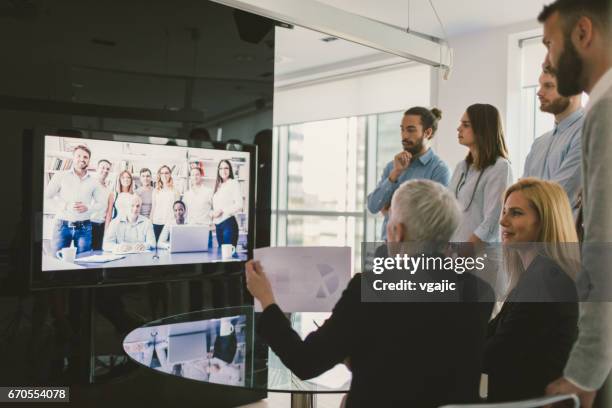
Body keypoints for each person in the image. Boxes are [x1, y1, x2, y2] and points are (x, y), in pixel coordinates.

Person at [246, 179, 494, 408]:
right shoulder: (479, 291)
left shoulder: (370, 288)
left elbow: (305, 362)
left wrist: (267, 301)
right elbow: (427, 357)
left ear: (398, 232)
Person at [537, 2, 612, 407]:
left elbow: (605, 244)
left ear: (583, 33)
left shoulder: (605, 109)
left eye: (550, 44)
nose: (547, 59)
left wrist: (584, 371)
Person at [484, 178, 579, 402]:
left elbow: (497, 353)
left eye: (515, 213)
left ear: (545, 222)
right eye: (504, 211)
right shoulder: (535, 276)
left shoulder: (546, 280)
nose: (502, 221)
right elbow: (490, 336)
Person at [367, 107, 450, 241]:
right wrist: (395, 173)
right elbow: (373, 206)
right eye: (402, 129)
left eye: (411, 130)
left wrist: (392, 209)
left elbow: (434, 219)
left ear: (427, 133)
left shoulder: (439, 170)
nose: (404, 136)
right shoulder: (392, 166)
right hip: (386, 249)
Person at [449, 104, 513, 243]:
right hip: (454, 253)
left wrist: (464, 253)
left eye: (465, 125)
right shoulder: (461, 167)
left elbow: (493, 220)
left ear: (482, 130)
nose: (458, 128)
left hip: (481, 256)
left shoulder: (500, 167)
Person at [523, 67, 584, 210]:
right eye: (540, 85)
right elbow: (522, 193)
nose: (539, 92)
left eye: (548, 86)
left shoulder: (587, 132)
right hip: (535, 230)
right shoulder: (539, 143)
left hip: (567, 231)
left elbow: (559, 195)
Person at [45, 145, 106, 254]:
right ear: (73, 157)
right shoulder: (60, 175)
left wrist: (88, 207)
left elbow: (102, 203)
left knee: (84, 260)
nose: (82, 159)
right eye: (79, 156)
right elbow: (46, 197)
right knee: (57, 262)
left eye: (85, 157)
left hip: (85, 227)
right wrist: (66, 206)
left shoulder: (94, 181)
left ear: (89, 160)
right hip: (61, 226)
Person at [211, 159, 242, 247]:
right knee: (222, 255)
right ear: (218, 170)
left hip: (228, 224)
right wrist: (213, 213)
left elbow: (239, 205)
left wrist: (222, 210)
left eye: (226, 168)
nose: (223, 171)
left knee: (229, 257)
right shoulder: (218, 185)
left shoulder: (233, 183)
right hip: (218, 226)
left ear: (230, 170)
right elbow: (215, 206)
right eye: (221, 168)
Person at [183, 166, 214, 247]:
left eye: (197, 174)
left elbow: (214, 209)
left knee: (207, 256)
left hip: (205, 229)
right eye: (192, 175)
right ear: (190, 177)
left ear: (201, 176)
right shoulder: (187, 194)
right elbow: (184, 212)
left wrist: (212, 223)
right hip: (190, 229)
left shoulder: (209, 191)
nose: (195, 177)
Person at [150, 165, 180, 241]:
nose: (164, 175)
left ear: (170, 174)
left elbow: (177, 210)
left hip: (170, 224)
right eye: (162, 173)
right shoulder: (155, 191)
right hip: (157, 222)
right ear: (159, 175)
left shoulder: (175, 191)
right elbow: (153, 208)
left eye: (166, 173)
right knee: (156, 247)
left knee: (168, 248)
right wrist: (150, 223)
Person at [90, 159, 112, 251]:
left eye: (107, 169)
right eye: (102, 168)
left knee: (98, 253)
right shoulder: (90, 183)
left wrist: (106, 229)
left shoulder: (108, 188)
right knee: (85, 254)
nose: (105, 170)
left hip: (102, 225)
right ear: (96, 168)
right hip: (89, 225)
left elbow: (108, 210)